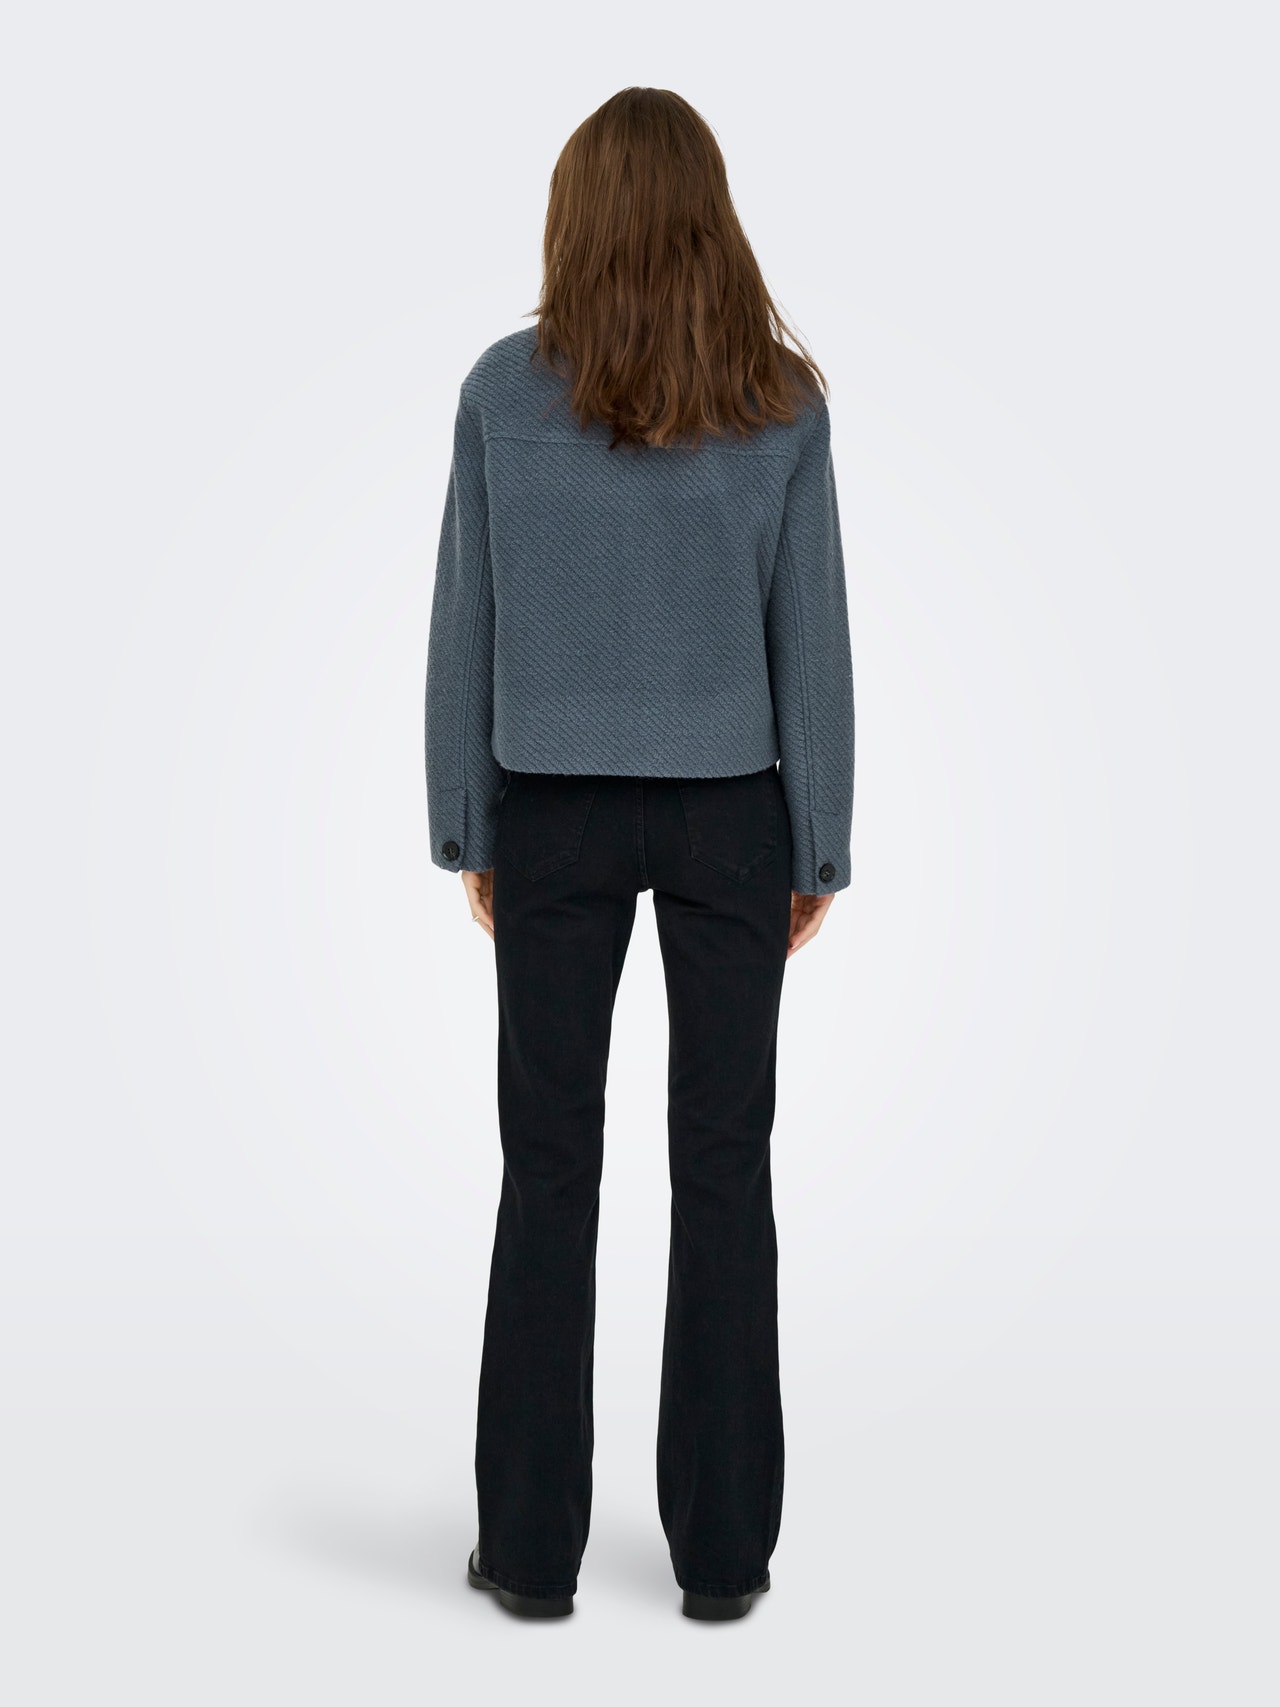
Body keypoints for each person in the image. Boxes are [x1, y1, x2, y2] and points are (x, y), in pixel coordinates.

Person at [424, 86, 854, 1622]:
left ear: (575, 217)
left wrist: (466, 823)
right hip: (734, 813)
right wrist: (820, 842)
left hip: (550, 809)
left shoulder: (502, 390)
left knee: (549, 1168)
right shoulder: (778, 398)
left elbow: (466, 620)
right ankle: (725, 1559)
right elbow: (811, 637)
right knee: (724, 1167)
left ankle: (531, 1554)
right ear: (711, 215)